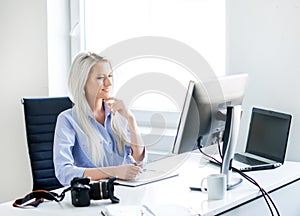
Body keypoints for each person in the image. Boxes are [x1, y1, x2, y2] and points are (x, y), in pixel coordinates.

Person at [53, 51, 146, 186]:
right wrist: (114, 172)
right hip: (92, 195)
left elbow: (138, 161)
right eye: (101, 78)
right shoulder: (68, 120)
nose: (108, 83)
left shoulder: (118, 114)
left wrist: (131, 119)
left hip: (124, 190)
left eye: (110, 76)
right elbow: (64, 173)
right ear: (83, 81)